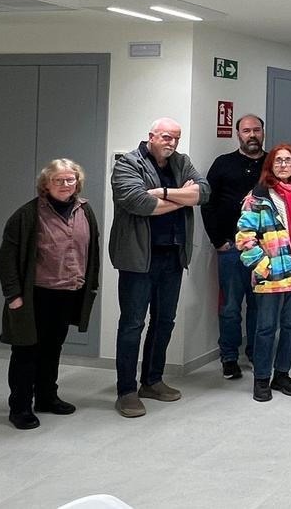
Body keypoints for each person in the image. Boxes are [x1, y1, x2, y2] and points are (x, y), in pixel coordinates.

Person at [110, 118, 209, 418]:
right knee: (132, 325)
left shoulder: (181, 162)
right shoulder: (128, 164)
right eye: (166, 137)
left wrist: (162, 193)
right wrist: (182, 197)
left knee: (164, 321)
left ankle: (152, 381)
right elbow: (140, 204)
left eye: (176, 138)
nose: (172, 143)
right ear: (151, 136)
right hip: (138, 258)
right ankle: (126, 391)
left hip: (173, 256)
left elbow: (204, 193)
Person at [0, 159, 101, 430]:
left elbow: (93, 251)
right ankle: (20, 407)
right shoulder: (27, 215)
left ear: (77, 182)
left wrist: (90, 285)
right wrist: (14, 296)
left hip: (67, 294)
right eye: (58, 180)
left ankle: (46, 397)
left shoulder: (85, 210)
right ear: (46, 184)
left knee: (53, 348)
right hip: (35, 296)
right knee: (26, 352)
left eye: (70, 179)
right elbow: (6, 260)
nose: (65, 184)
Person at [236, 145, 291, 402]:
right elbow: (244, 239)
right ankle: (261, 378)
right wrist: (264, 266)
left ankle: (281, 374)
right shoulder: (257, 197)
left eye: (288, 160)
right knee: (265, 328)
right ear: (270, 165)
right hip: (271, 275)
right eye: (278, 161)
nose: (283, 165)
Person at [202, 113, 266, 380]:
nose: (252, 135)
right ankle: (229, 357)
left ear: (263, 132)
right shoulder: (223, 164)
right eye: (246, 130)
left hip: (264, 250)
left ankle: (256, 352)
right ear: (238, 134)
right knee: (230, 307)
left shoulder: (272, 164)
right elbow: (207, 202)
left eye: (256, 130)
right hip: (232, 249)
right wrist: (218, 240)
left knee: (259, 306)